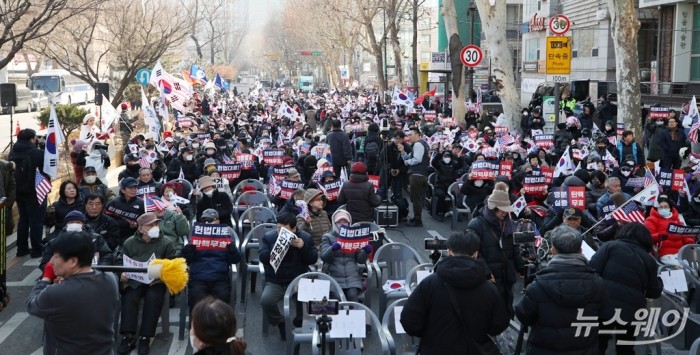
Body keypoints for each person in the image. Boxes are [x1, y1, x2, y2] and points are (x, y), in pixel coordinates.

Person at [400, 230, 510, 355]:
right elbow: (499, 325)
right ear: (475, 254)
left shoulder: (430, 284)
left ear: (449, 251)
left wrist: (431, 334)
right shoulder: (489, 289)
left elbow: (409, 322)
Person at [514, 226, 607, 355]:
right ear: (580, 251)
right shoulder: (598, 283)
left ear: (552, 251)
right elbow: (603, 314)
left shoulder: (538, 285)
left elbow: (523, 315)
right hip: (584, 349)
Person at [26, 232, 119, 355]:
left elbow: (32, 305)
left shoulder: (57, 292)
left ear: (73, 261)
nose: (51, 262)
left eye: (56, 257)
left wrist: (45, 279)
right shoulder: (110, 280)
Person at [589, 223, 663, 355]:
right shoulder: (649, 260)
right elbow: (654, 292)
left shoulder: (610, 246)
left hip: (603, 304)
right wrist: (660, 281)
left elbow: (592, 270)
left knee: (598, 344)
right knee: (626, 348)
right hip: (632, 310)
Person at [117, 212, 177, 355]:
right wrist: (122, 274)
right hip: (134, 280)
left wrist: (162, 272)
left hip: (156, 282)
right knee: (130, 298)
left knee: (153, 299)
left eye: (156, 224)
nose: (155, 227)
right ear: (141, 228)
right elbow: (120, 261)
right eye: (151, 225)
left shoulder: (166, 242)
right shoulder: (129, 242)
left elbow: (173, 262)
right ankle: (128, 336)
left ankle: (145, 337)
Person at [259, 212, 318, 340]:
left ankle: (300, 319)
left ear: (294, 229)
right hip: (276, 280)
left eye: (284, 230)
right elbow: (262, 257)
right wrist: (277, 247)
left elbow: (313, 259)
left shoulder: (305, 238)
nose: (280, 232)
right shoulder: (269, 238)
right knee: (266, 301)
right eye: (278, 228)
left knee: (309, 303)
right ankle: (280, 322)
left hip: (298, 280)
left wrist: (303, 247)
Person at [467, 189, 525, 318]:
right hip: (490, 276)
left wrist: (520, 265)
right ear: (493, 208)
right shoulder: (476, 225)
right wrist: (486, 272)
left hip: (506, 274)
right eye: (502, 209)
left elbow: (513, 246)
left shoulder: (508, 223)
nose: (505, 213)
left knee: (506, 307)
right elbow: (474, 251)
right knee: (489, 309)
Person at [181, 209, 240, 311]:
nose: (207, 223)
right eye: (204, 220)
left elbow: (235, 260)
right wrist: (188, 250)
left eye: (210, 220)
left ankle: (221, 326)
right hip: (199, 276)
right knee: (195, 299)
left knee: (222, 300)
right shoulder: (196, 235)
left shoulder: (225, 236)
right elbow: (185, 260)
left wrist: (232, 250)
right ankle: (196, 326)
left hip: (219, 276)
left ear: (218, 221)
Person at [319, 210, 371, 302]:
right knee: (337, 299)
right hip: (334, 275)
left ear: (349, 223)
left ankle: (355, 316)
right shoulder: (327, 237)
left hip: (352, 276)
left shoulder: (354, 236)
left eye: (345, 222)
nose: (342, 224)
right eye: (339, 222)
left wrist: (366, 252)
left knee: (353, 296)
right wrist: (333, 249)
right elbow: (324, 257)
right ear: (334, 223)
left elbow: (360, 260)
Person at [11, 128, 46, 257]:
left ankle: (22, 248)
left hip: (19, 192)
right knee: (36, 221)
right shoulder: (36, 153)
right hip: (35, 192)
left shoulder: (13, 152)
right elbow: (46, 169)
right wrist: (43, 147)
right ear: (32, 139)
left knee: (23, 219)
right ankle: (37, 249)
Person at [644, 195, 694, 265]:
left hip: (681, 251)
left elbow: (684, 234)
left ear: (670, 208)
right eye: (661, 207)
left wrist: (689, 241)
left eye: (666, 207)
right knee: (679, 266)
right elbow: (648, 237)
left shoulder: (676, 219)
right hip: (664, 253)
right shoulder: (651, 220)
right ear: (656, 208)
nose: (663, 209)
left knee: (694, 264)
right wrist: (661, 235)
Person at [398, 127, 430, 227]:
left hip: (417, 175)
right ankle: (417, 217)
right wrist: (403, 152)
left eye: (411, 134)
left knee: (416, 198)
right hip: (419, 174)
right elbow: (409, 156)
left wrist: (407, 162)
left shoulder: (418, 144)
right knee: (416, 198)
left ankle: (417, 219)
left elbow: (417, 159)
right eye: (408, 135)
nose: (409, 137)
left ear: (417, 135)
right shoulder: (417, 145)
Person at [105, 177, 145, 246]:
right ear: (123, 190)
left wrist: (136, 225)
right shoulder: (113, 203)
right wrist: (126, 224)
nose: (134, 190)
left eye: (135, 188)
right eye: (130, 188)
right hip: (116, 235)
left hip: (134, 236)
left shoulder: (141, 203)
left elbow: (145, 221)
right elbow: (106, 220)